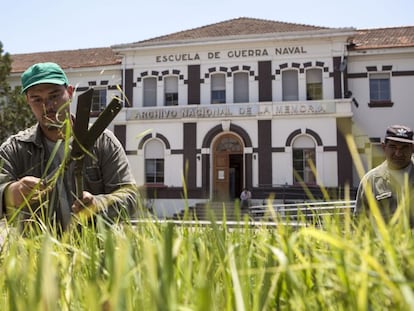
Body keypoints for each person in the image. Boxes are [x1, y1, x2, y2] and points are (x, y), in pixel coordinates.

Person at [0, 62, 138, 233]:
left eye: (54, 96)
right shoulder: (14, 150)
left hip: (94, 254)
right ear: (27, 101)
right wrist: (10, 193)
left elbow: (130, 198)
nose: (48, 106)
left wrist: (98, 204)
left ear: (70, 93)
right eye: (37, 99)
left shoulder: (102, 142)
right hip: (38, 256)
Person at [354, 125, 414, 226]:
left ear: (412, 148)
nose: (398, 153)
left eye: (404, 147)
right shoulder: (371, 181)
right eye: (393, 147)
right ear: (383, 147)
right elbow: (359, 223)